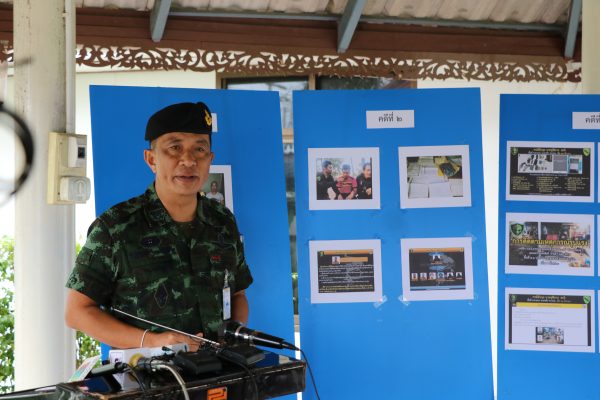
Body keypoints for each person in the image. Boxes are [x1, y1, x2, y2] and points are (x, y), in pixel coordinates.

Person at [65, 102, 253, 351]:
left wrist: (234, 336)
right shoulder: (116, 227)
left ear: (210, 159)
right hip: (147, 372)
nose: (188, 160)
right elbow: (77, 312)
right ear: (151, 159)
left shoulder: (222, 221)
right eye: (175, 148)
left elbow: (238, 294)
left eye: (199, 149)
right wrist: (153, 342)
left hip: (220, 369)